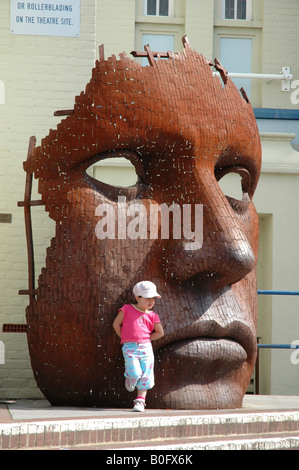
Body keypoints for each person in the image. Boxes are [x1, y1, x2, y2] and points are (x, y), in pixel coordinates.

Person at [113, 281, 164, 412]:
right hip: (129, 347)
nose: (151, 301)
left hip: (146, 347)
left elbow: (160, 332)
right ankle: (131, 377)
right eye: (148, 298)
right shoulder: (127, 309)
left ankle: (140, 401)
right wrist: (124, 338)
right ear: (138, 298)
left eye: (153, 298)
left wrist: (146, 339)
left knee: (146, 373)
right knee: (135, 371)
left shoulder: (153, 315)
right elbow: (116, 324)